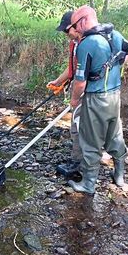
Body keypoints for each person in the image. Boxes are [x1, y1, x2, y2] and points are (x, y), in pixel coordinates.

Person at [67, 5, 128, 194]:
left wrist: (74, 100)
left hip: (96, 98)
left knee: (90, 141)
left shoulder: (87, 44)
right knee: (114, 134)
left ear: (83, 21)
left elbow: (80, 82)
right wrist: (115, 66)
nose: (75, 31)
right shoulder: (116, 35)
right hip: (114, 96)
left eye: (75, 26)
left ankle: (88, 184)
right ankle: (119, 176)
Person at [47, 11, 83, 177]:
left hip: (87, 91)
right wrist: (58, 82)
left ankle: (78, 165)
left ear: (76, 26)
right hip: (79, 87)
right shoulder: (75, 43)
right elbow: (72, 68)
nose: (65, 34)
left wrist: (75, 97)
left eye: (66, 30)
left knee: (78, 126)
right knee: (76, 126)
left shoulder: (87, 43)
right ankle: (77, 160)